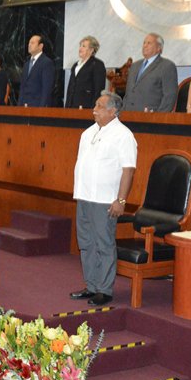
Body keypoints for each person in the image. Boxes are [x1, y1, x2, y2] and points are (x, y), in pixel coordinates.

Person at [70, 92, 137, 307]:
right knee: (86, 243)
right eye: (95, 105)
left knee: (104, 244)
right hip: (84, 196)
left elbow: (128, 170)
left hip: (105, 200)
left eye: (99, 106)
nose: (94, 109)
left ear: (113, 111)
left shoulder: (123, 135)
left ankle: (104, 290)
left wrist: (121, 200)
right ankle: (91, 285)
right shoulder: (88, 132)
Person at [123, 33, 178, 113]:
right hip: (128, 115)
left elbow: (169, 96)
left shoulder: (167, 66)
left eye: (149, 43)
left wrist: (159, 117)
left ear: (159, 48)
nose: (145, 45)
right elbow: (128, 93)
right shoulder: (135, 66)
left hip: (150, 117)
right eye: (144, 43)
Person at [65, 36, 106, 109]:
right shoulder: (75, 65)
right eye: (80, 46)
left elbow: (98, 89)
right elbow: (70, 88)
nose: (80, 49)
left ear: (91, 50)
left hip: (86, 107)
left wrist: (94, 108)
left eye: (83, 46)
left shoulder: (97, 64)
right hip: (71, 107)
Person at [19, 34, 55, 107]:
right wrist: (19, 105)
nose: (29, 45)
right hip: (24, 106)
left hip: (37, 106)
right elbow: (22, 87)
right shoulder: (26, 64)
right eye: (29, 43)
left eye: (32, 43)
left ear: (40, 46)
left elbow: (46, 89)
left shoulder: (46, 63)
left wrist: (42, 108)